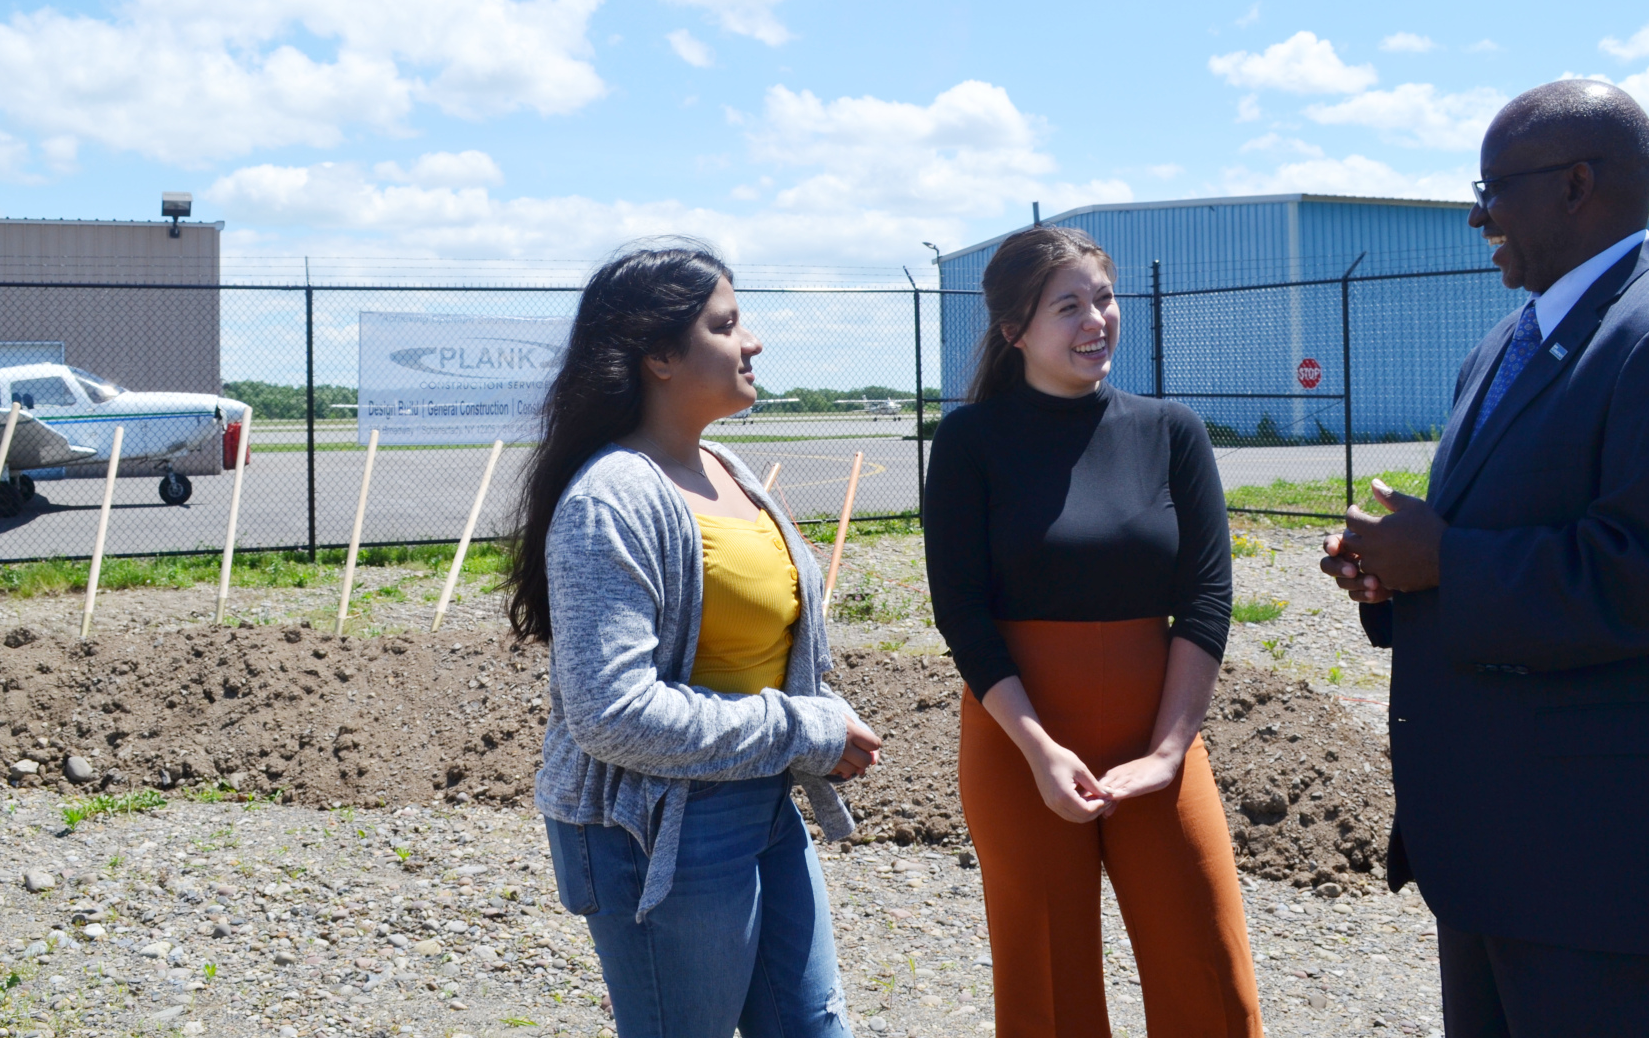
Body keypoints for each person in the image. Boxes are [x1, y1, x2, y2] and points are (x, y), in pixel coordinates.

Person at [1320, 81, 1649, 1037]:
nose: (1477, 214)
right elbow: (1505, 538)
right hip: (1520, 869)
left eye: (1492, 187)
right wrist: (1393, 575)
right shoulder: (1504, 347)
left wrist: (1450, 564)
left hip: (1638, 885)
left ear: (1577, 185)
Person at [509, 239, 882, 1038]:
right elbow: (610, 714)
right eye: (726, 324)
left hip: (761, 796)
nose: (752, 342)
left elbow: (757, 645)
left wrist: (810, 716)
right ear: (660, 356)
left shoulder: (727, 467)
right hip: (658, 829)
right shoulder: (612, 498)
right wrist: (801, 726)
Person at [925, 224, 1264, 1038]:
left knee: (1208, 969)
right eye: (1067, 306)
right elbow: (960, 612)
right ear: (1015, 330)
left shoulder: (1171, 430)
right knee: (1048, 988)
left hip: (1159, 740)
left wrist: (1169, 751)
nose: (1096, 320)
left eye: (1103, 299)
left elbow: (1208, 599)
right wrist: (1041, 750)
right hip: (1021, 745)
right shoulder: (971, 441)